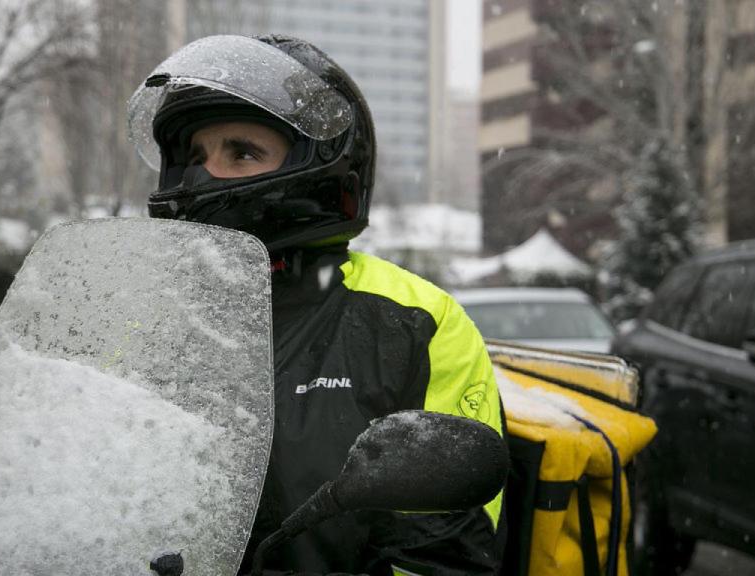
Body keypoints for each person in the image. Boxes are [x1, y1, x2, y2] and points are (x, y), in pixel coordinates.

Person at [128, 34, 505, 575]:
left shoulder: (412, 322)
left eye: (240, 152)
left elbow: (444, 554)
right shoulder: (147, 317)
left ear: (319, 164)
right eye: (192, 158)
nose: (201, 178)